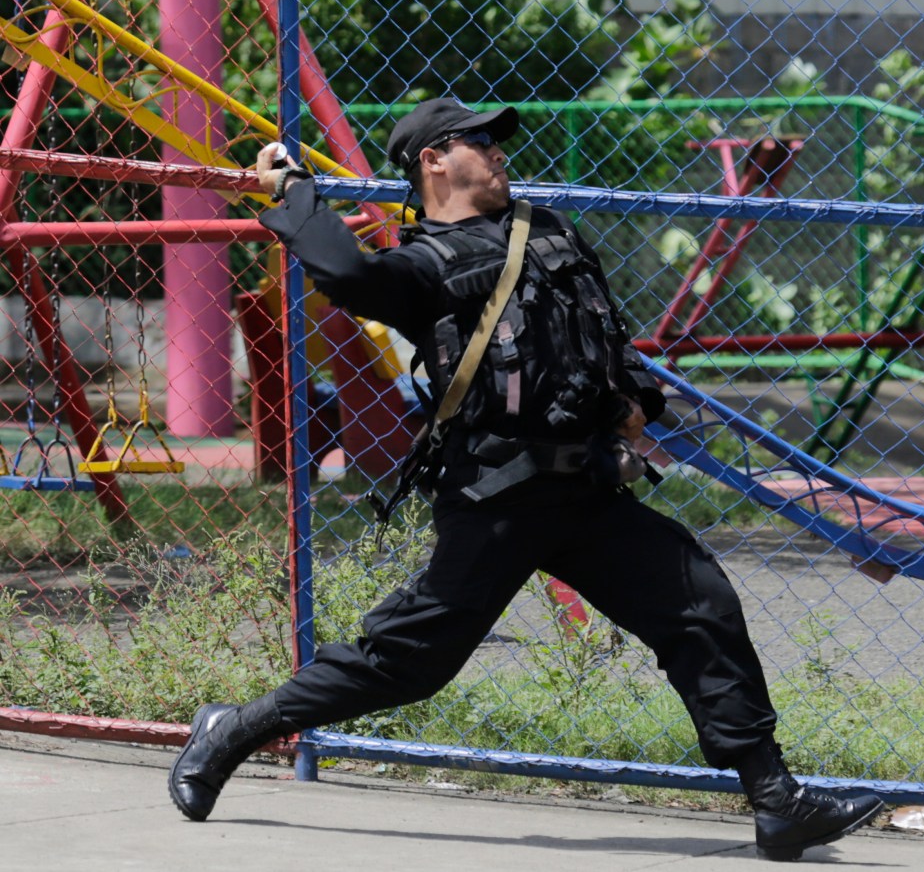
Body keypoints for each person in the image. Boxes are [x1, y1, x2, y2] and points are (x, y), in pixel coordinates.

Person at [167, 98, 884, 861]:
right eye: (477, 139)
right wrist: (292, 194)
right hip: (497, 495)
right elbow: (345, 271)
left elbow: (602, 331)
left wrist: (635, 404)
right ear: (433, 161)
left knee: (699, 601)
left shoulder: (547, 230)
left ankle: (776, 801)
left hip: (587, 489)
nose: (497, 149)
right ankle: (233, 727)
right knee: (408, 664)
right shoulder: (423, 265)